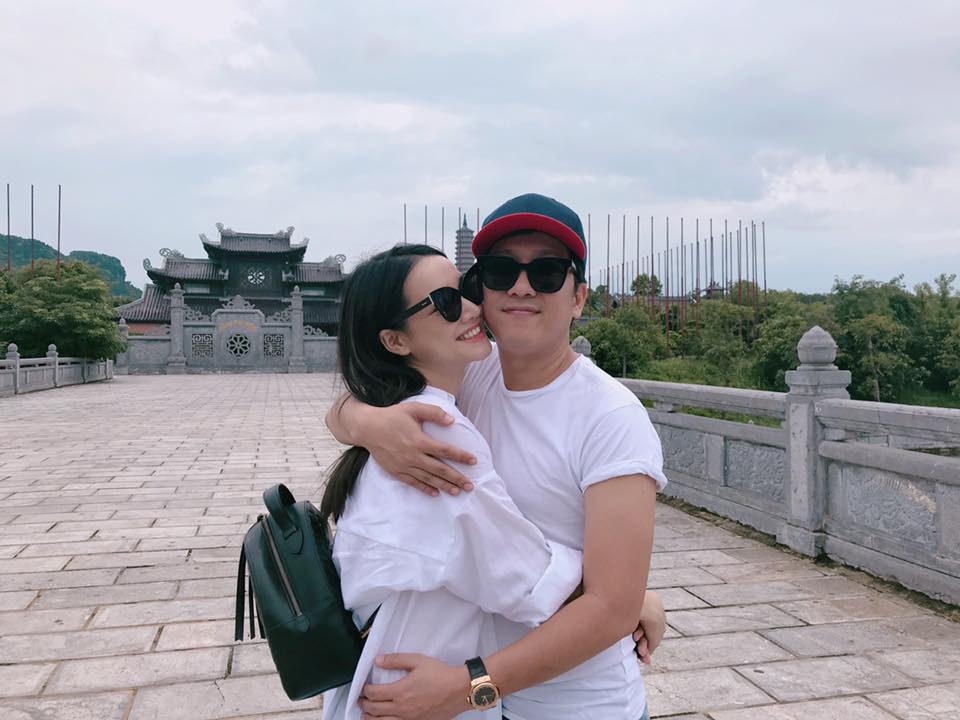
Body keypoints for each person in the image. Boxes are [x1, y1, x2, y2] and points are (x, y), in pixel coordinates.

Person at [327, 193, 668, 720]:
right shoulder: (468, 379)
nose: (521, 286)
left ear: (578, 298)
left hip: (575, 706)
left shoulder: (610, 418)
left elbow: (609, 609)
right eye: (500, 271)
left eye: (547, 272)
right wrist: (367, 422)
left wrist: (470, 687)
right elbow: (364, 390)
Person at [320, 244, 585, 720]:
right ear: (395, 341)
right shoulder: (437, 432)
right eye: (445, 303)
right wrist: (626, 600)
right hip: (417, 695)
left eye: (466, 290)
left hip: (388, 677)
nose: (470, 307)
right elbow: (526, 580)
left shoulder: (401, 416)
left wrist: (359, 418)